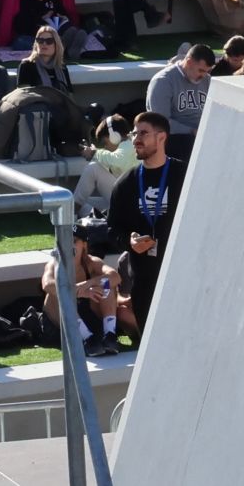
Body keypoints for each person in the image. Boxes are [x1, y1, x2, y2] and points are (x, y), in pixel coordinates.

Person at [107, 111, 185, 333]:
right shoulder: (125, 183)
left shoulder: (185, 174)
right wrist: (129, 242)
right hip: (144, 280)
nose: (136, 139)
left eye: (143, 133)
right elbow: (112, 230)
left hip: (181, 277)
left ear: (162, 138)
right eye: (134, 133)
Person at [44, 224, 123, 358]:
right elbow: (47, 285)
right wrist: (79, 291)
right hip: (59, 324)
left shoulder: (92, 262)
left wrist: (88, 284)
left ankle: (110, 335)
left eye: (74, 241)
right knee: (59, 292)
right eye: (65, 240)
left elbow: (115, 277)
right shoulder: (54, 264)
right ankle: (87, 339)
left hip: (88, 317)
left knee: (106, 283)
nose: (69, 245)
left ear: (84, 245)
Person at [73, 115, 133, 210]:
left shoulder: (130, 145)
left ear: (114, 136)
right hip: (127, 202)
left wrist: (94, 153)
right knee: (84, 203)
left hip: (130, 203)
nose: (105, 147)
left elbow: (117, 161)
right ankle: (100, 220)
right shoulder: (127, 147)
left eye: (105, 143)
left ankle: (70, 214)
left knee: (93, 168)